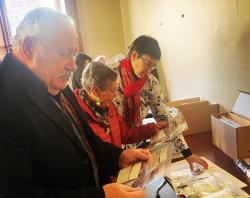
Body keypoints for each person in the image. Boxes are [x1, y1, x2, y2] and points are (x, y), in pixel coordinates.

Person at [0, 8, 150, 198]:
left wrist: (117, 156)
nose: (72, 65)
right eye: (64, 53)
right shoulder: (5, 98)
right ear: (30, 48)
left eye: (74, 54)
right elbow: (17, 194)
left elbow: (82, 141)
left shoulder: (54, 80)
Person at [114, 35, 208, 171]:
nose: (149, 70)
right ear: (134, 55)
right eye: (147, 63)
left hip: (137, 147)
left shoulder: (150, 83)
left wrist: (187, 154)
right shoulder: (112, 80)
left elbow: (165, 120)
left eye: (153, 66)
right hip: (114, 151)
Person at [74, 61, 168, 148]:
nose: (115, 95)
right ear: (95, 91)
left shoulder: (108, 106)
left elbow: (126, 133)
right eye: (112, 90)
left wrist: (152, 129)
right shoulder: (77, 114)